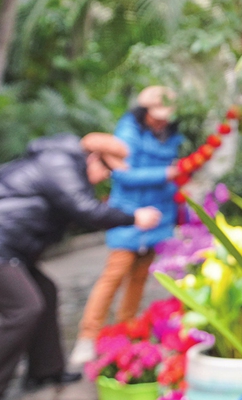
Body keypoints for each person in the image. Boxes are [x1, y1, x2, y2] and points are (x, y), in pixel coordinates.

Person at [0, 133, 162, 400]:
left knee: (45, 291)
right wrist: (135, 218)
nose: (105, 177)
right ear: (92, 158)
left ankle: (45, 370)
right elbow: (85, 210)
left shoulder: (63, 164)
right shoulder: (59, 164)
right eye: (106, 170)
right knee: (23, 308)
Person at [71, 86, 183, 365]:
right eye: (156, 115)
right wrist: (166, 173)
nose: (161, 121)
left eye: (165, 116)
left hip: (160, 215)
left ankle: (128, 333)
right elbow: (125, 175)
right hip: (128, 215)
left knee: (140, 278)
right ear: (143, 111)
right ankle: (87, 337)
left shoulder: (174, 136)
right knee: (113, 276)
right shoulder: (127, 132)